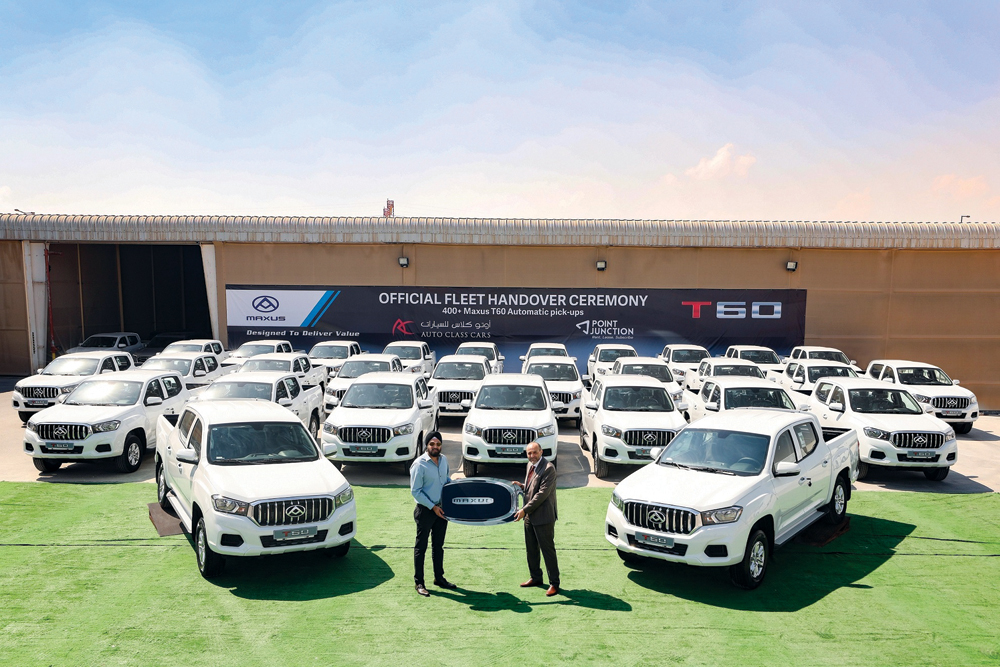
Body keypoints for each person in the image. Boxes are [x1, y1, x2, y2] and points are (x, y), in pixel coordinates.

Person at [409, 431, 457, 597]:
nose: (435, 447)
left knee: (438, 546)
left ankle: (439, 578)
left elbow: (446, 479)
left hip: (441, 510)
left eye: (437, 444)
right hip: (425, 510)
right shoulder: (419, 464)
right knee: (421, 547)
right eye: (432, 444)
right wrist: (432, 507)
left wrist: (457, 485)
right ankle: (419, 582)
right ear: (426, 445)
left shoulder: (443, 460)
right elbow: (416, 491)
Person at [513, 441, 560, 596]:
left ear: (541, 452)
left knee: (548, 551)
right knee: (531, 549)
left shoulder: (549, 469)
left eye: (534, 452)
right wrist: (522, 486)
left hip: (543, 517)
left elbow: (541, 495)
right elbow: (531, 487)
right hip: (530, 516)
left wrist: (524, 510)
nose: (531, 456)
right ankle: (536, 577)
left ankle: (554, 583)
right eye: (529, 453)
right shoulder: (530, 465)